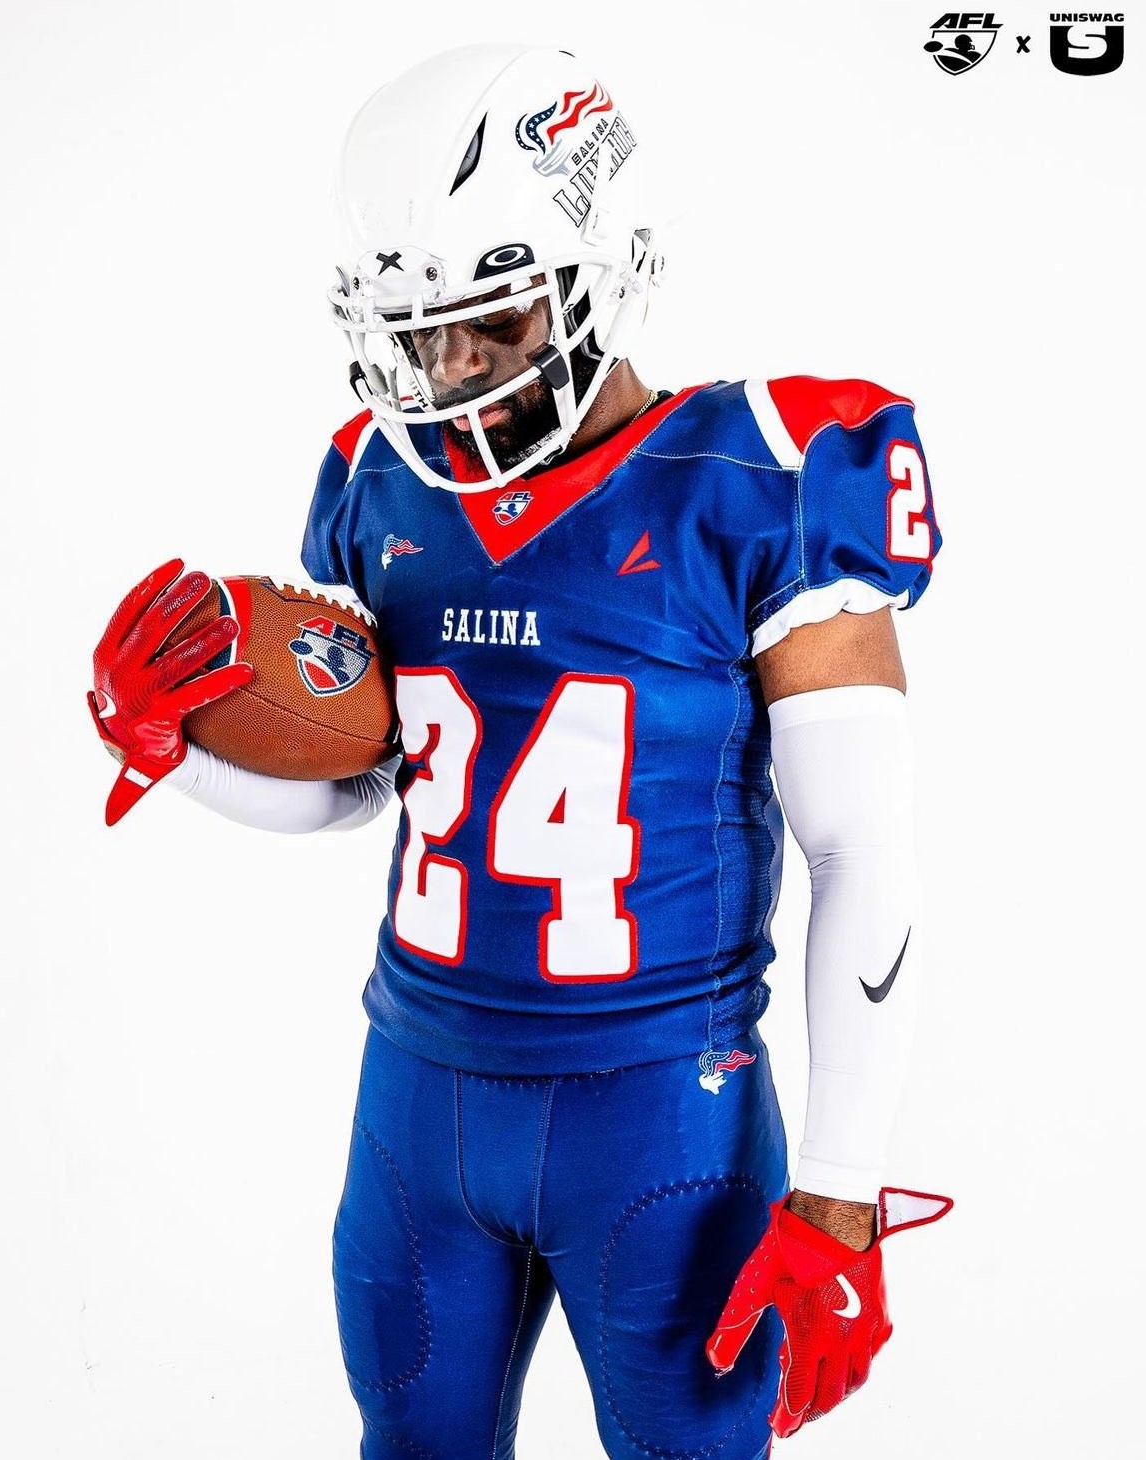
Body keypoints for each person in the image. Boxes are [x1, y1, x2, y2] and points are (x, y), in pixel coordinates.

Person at [89, 44, 952, 1460]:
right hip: (412, 1099)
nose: (450, 372)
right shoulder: (375, 483)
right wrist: (171, 747)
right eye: (416, 334)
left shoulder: (765, 472)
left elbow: (860, 845)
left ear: (609, 270)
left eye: (489, 320)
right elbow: (365, 785)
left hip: (662, 1119)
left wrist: (843, 1188)